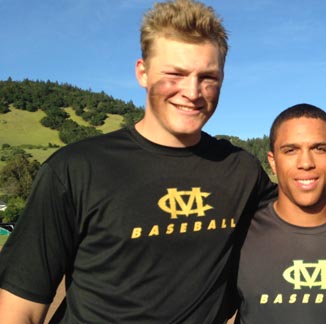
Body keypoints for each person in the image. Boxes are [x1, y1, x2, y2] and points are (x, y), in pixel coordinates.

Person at [0, 0, 276, 323]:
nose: (192, 91)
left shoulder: (239, 169)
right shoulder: (74, 170)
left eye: (208, 77)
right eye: (175, 74)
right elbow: (19, 309)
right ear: (142, 73)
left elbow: (302, 211)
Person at [235, 104, 326, 324]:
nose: (306, 163)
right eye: (290, 150)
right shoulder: (240, 237)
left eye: (319, 149)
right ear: (272, 161)